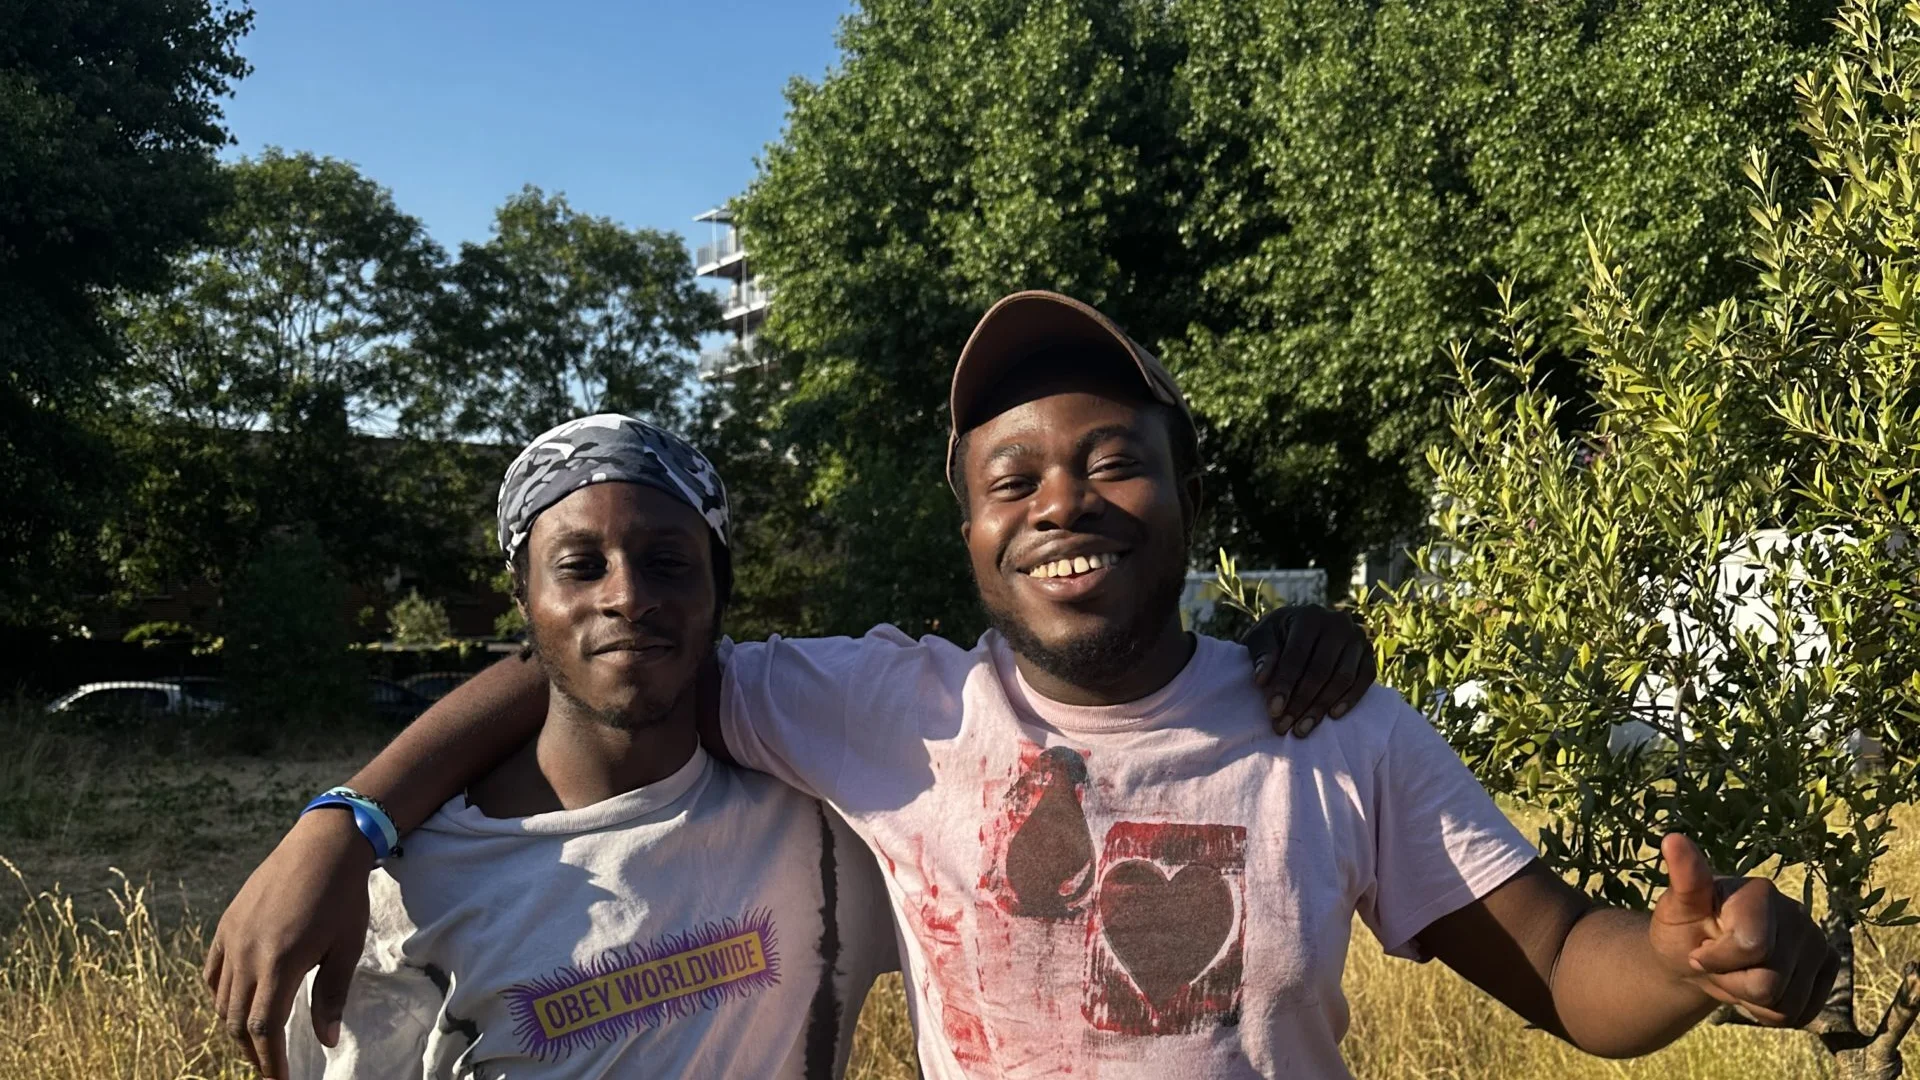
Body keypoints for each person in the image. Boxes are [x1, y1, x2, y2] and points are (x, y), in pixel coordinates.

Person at [214, 290, 1837, 1079]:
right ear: (976, 532)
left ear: (1186, 500)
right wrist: (339, 824)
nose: (1061, 499)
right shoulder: (887, 708)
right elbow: (602, 660)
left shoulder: (1332, 723)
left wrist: (1691, 966)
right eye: (1012, 477)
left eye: (1111, 460)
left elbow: (1563, 973)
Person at [282, 416, 898, 1078]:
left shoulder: (828, 831)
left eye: (668, 563)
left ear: (721, 588)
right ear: (522, 596)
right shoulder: (407, 902)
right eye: (580, 566)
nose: (627, 596)